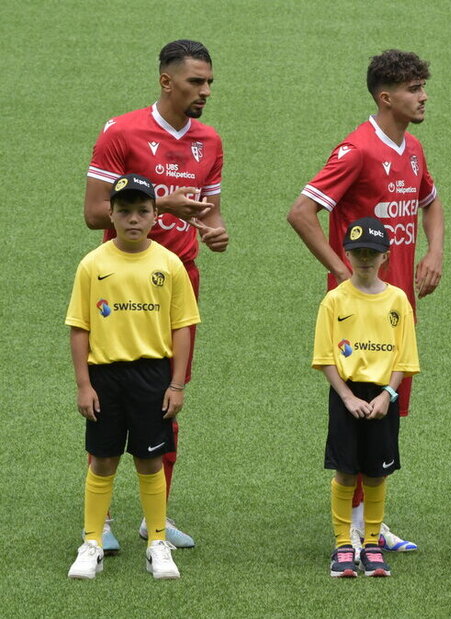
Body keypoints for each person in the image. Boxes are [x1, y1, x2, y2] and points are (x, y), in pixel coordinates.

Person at [288, 49, 444, 553]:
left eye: (423, 86)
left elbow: (430, 201)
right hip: (357, 310)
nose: (423, 96)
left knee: (389, 405)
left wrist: (434, 250)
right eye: (413, 88)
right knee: (356, 407)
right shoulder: (355, 150)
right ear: (386, 97)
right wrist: (338, 272)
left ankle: (366, 521)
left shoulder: (413, 147)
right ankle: (354, 525)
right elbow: (301, 213)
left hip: (396, 303)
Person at [83, 39, 227, 552]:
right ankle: (97, 523)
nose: (206, 91)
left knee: (169, 396)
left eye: (209, 81)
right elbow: (95, 212)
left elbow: (209, 209)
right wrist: (158, 201)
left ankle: (155, 517)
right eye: (196, 81)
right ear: (166, 81)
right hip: (119, 282)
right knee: (106, 395)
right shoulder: (121, 131)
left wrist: (215, 231)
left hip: (180, 281)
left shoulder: (208, 140)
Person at [66, 174, 200, 580]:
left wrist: (176, 384)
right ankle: (91, 542)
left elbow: (182, 328)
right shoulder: (93, 264)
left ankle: (157, 542)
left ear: (156, 215)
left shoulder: (169, 264)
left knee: (150, 459)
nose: (133, 219)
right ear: (111, 214)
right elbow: (79, 327)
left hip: (152, 376)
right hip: (105, 376)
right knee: (103, 459)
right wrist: (83, 384)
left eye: (143, 211)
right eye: (124, 211)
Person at [313, 217, 419, 578]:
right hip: (348, 397)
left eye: (371, 253)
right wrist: (346, 397)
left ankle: (371, 543)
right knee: (345, 473)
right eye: (357, 252)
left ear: (385, 257)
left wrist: (389, 394)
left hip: (382, 399)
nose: (364, 260)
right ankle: (344, 544)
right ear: (346, 254)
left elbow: (405, 357)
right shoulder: (335, 300)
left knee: (376, 475)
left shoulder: (398, 300)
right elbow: (325, 357)